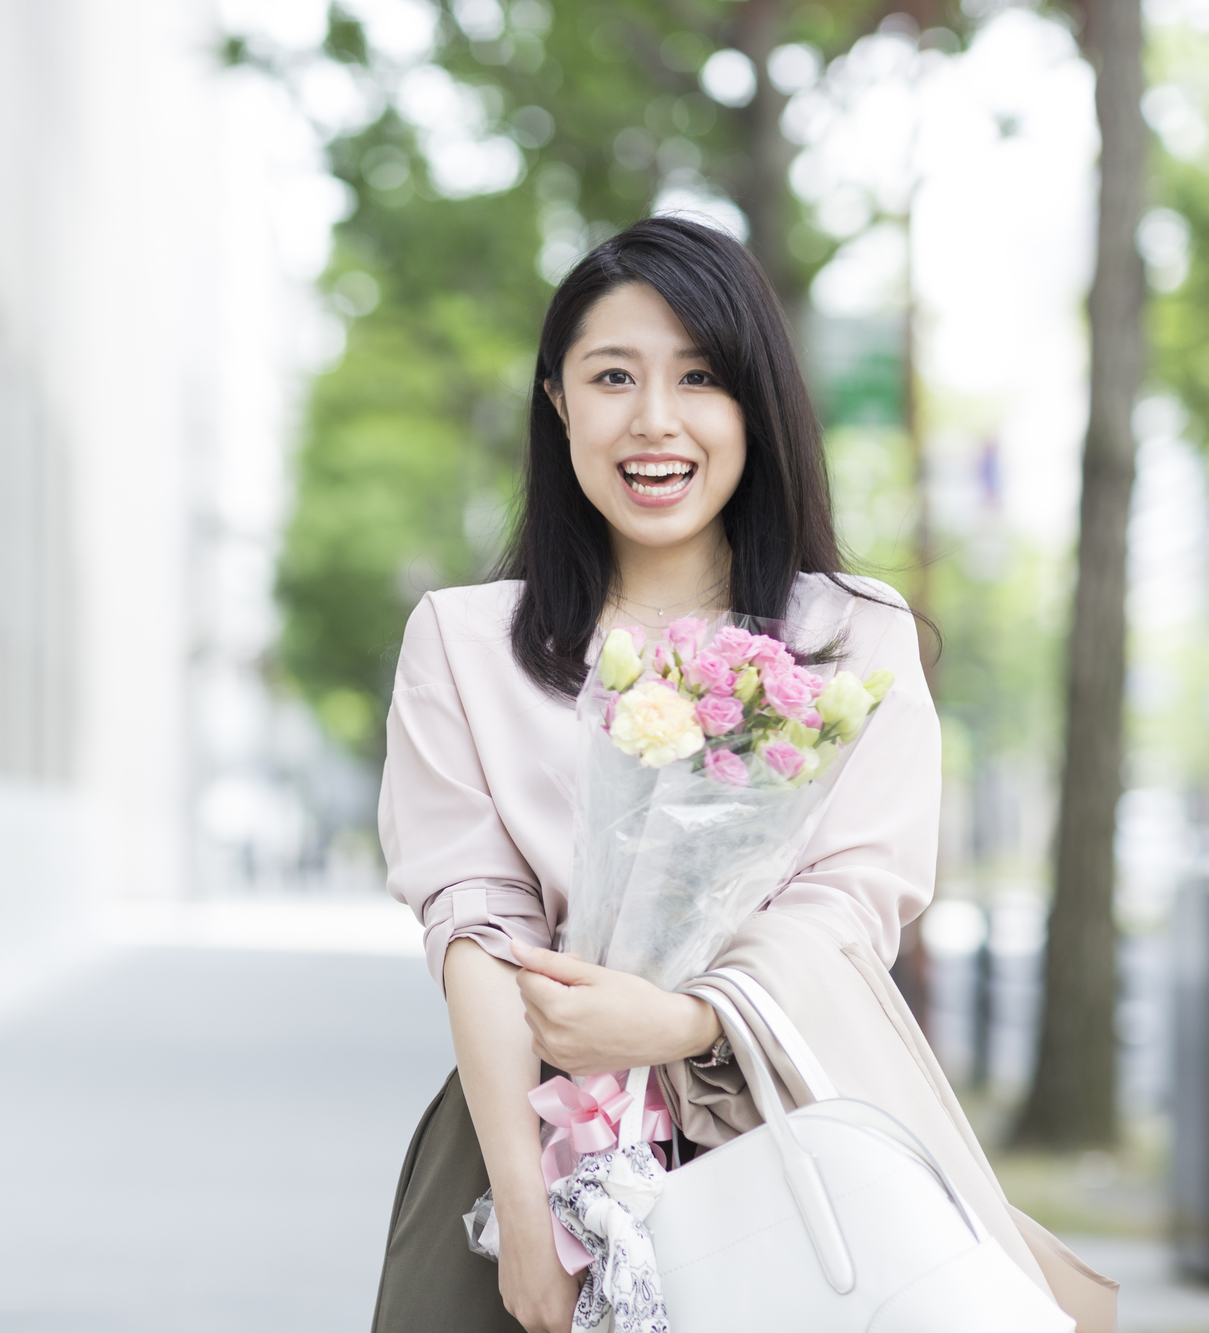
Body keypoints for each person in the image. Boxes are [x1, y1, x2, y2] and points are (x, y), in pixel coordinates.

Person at [367, 216, 1115, 1333]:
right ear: (556, 400)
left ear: (754, 405)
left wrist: (674, 1022)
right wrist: (524, 1216)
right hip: (517, 1136)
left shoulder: (853, 639)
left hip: (781, 1133)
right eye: (610, 376)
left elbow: (847, 906)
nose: (653, 420)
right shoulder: (461, 642)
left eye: (700, 376)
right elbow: (472, 925)